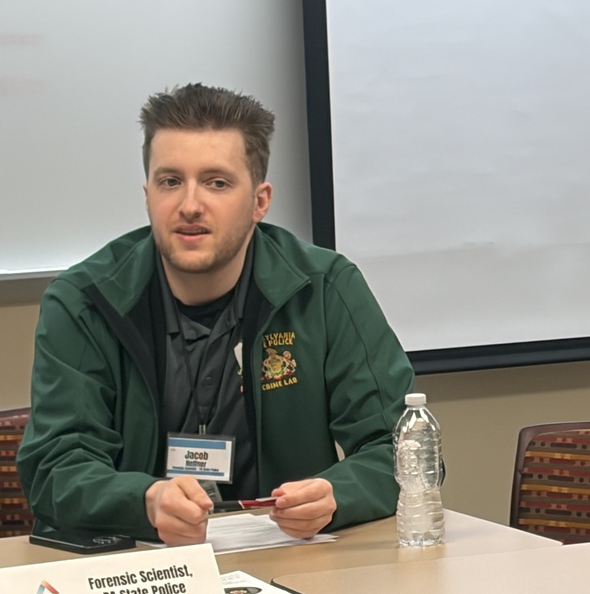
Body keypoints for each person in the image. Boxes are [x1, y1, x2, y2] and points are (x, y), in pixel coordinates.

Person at [18, 83, 415, 545]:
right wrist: (144, 501)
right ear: (147, 195)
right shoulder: (84, 300)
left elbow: (402, 449)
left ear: (259, 201)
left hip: (292, 559)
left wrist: (337, 495)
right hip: (140, 568)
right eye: (170, 182)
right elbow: (54, 470)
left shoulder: (324, 288)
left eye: (217, 182)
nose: (189, 205)